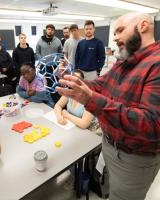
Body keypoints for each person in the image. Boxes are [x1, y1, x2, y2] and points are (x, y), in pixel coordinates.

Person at [56, 12, 160, 200]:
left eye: (120, 30)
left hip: (134, 158)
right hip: (110, 145)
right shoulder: (125, 61)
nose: (114, 37)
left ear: (143, 26)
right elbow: (100, 84)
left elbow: (152, 125)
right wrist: (72, 82)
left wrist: (90, 100)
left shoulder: (156, 64)